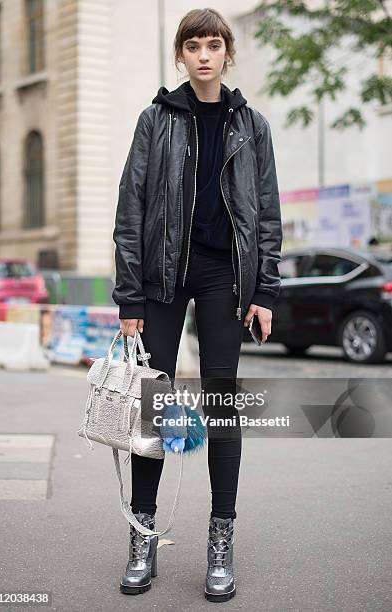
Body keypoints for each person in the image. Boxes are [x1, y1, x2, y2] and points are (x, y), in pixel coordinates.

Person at [112, 7, 283, 603]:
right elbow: (130, 212)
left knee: (221, 399)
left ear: (226, 54)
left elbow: (265, 213)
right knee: (155, 407)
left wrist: (264, 290)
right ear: (181, 56)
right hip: (162, 277)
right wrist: (129, 294)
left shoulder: (251, 126)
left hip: (221, 278)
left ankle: (220, 537)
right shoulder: (154, 121)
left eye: (214, 45)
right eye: (194, 46)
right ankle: (142, 535)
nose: (204, 55)